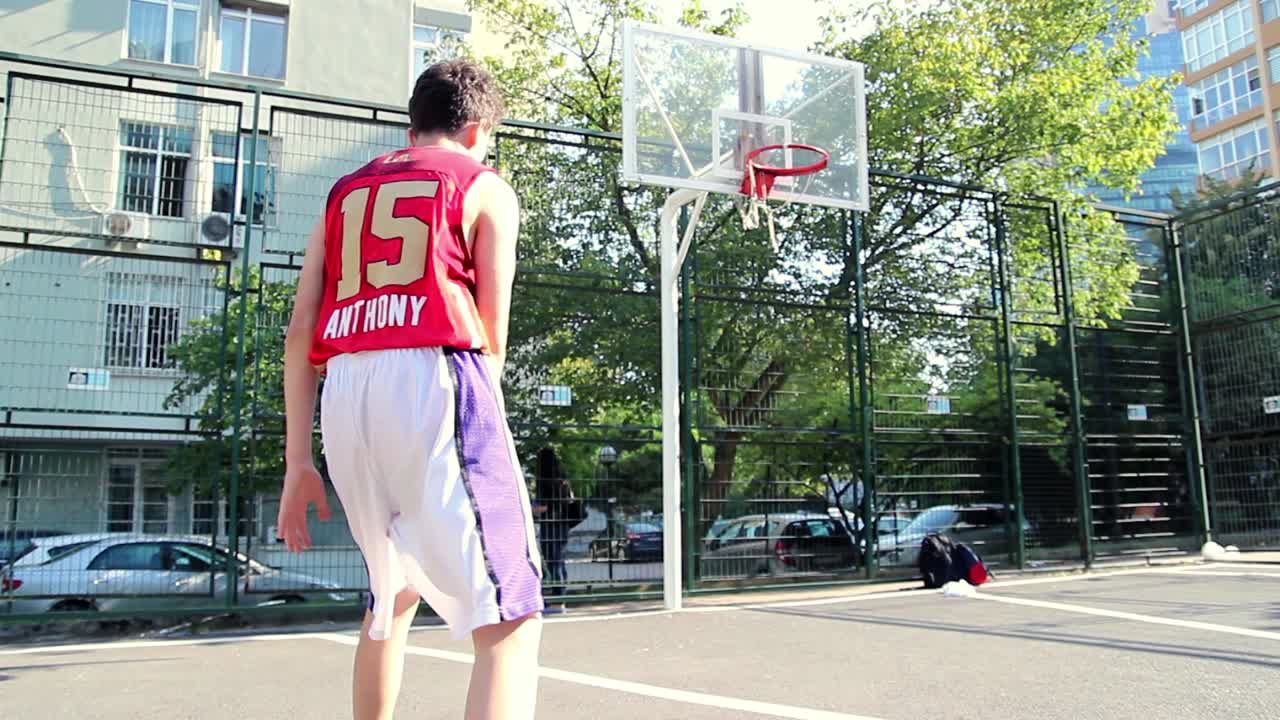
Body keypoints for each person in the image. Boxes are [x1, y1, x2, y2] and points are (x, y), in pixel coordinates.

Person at [276, 59, 542, 720]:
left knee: (389, 599)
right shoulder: (484, 184)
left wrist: (297, 462)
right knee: (511, 618)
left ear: (411, 124)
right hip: (434, 374)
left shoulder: (344, 193)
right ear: (478, 130)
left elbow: (300, 331)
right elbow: (492, 329)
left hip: (345, 386)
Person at [532, 447, 572, 601]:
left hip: (550, 525)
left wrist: (529, 509)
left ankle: (557, 598)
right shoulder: (563, 480)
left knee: (552, 561)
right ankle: (562, 594)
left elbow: (543, 507)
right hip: (563, 524)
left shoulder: (544, 481)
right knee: (560, 560)